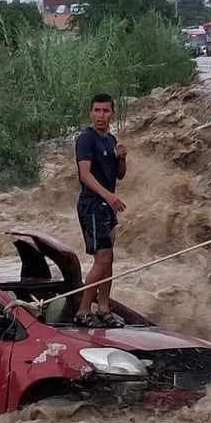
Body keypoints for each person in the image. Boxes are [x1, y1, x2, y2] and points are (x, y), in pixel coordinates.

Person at [74, 94, 128, 327]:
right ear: (91, 113)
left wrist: (123, 159)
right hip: (92, 205)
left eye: (106, 111)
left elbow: (119, 175)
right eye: (97, 111)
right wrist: (108, 195)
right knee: (102, 258)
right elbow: (85, 175)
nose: (101, 116)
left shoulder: (111, 139)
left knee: (109, 260)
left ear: (112, 114)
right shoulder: (86, 139)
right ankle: (83, 311)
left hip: (107, 207)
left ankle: (104, 309)